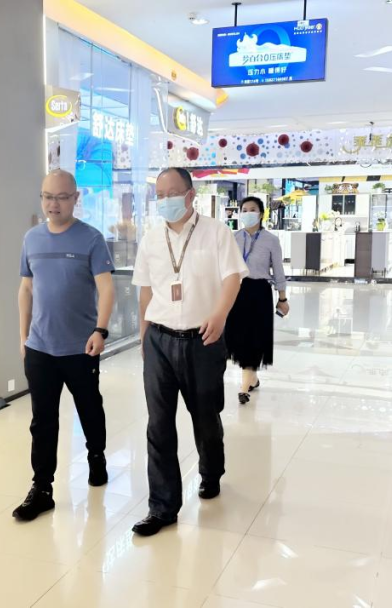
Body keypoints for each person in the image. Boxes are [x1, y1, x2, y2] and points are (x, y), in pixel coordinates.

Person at [130, 167, 248, 537]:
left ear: (190, 194)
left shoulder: (216, 233)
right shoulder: (151, 239)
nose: (165, 200)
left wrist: (220, 314)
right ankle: (162, 507)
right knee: (158, 424)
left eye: (172, 193)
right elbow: (146, 289)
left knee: (205, 416)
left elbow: (232, 277)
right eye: (159, 195)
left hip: (203, 339)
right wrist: (143, 334)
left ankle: (211, 471)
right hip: (159, 339)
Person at [13, 169, 116, 522]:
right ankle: (42, 487)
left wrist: (100, 330)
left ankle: (96, 455)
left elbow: (106, 288)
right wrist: (23, 337)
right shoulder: (32, 238)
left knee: (89, 408)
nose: (52, 204)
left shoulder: (91, 239)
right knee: (43, 420)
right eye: (47, 196)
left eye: (60, 197)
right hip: (40, 347)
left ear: (75, 199)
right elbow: (26, 289)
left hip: (81, 347)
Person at [226, 197, 288, 405]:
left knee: (254, 338)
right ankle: (251, 378)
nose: (248, 213)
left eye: (252, 209)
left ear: (261, 214)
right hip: (237, 291)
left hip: (260, 292)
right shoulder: (233, 238)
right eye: (244, 210)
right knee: (239, 337)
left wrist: (282, 298)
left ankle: (244, 388)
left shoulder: (271, 240)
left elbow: (278, 270)